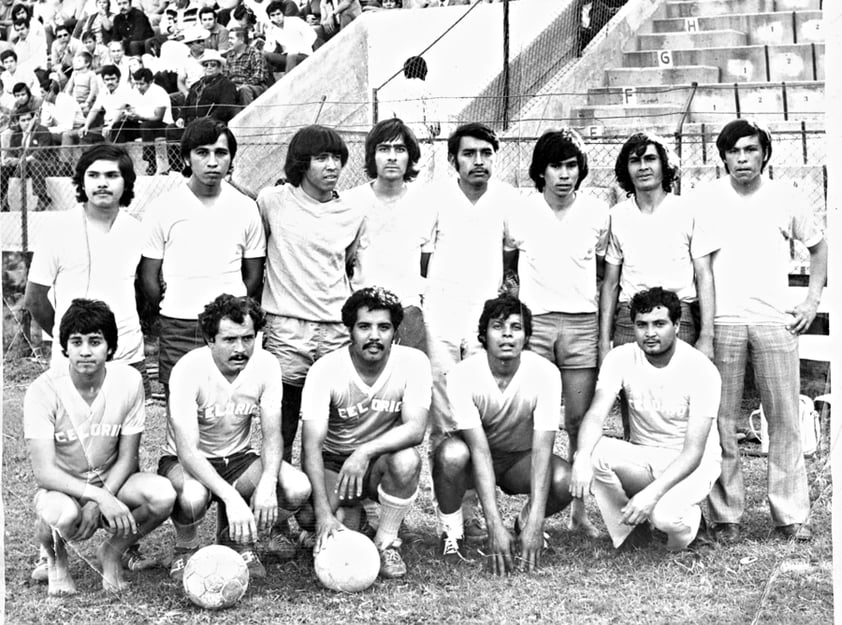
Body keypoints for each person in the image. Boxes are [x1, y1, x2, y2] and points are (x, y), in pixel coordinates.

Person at [695, 119, 827, 543]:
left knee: (784, 418)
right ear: (724, 157)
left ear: (764, 154)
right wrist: (709, 329)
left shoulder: (786, 196)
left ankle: (790, 514)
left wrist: (809, 301)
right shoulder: (709, 199)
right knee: (722, 419)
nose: (743, 159)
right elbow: (703, 268)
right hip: (725, 321)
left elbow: (819, 246)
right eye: (734, 152)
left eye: (750, 150)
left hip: (776, 320)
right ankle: (725, 515)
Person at [24, 299, 176, 596]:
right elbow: (44, 473)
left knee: (162, 494)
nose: (85, 351)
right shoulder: (43, 390)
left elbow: (127, 456)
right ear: (64, 346)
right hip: (63, 488)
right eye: (76, 341)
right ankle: (56, 559)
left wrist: (101, 499)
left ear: (110, 346)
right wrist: (94, 497)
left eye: (95, 341)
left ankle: (112, 552)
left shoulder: (129, 381)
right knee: (60, 514)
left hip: (111, 482)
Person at [160, 294, 312, 579]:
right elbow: (188, 451)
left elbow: (272, 436)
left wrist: (267, 482)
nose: (240, 348)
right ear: (210, 339)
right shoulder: (187, 369)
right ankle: (186, 547)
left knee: (297, 487)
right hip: (190, 462)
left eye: (248, 338)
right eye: (229, 340)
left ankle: (237, 537)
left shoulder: (267, 364)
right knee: (193, 496)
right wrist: (231, 498)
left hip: (239, 458)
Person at [504, 128, 608, 537]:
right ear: (540, 171)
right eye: (555, 166)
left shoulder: (599, 212)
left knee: (579, 418)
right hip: (537, 323)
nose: (564, 174)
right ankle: (535, 508)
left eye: (571, 166)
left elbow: (602, 270)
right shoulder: (521, 212)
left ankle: (579, 512)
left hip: (581, 323)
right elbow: (508, 264)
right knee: (539, 417)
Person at [424, 122, 518, 545]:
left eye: (486, 153)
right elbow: (422, 258)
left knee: (480, 412)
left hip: (485, 322)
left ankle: (479, 507)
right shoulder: (436, 198)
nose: (478, 161)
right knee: (445, 417)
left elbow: (513, 251)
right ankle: (453, 516)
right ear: (453, 161)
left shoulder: (507, 199)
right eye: (469, 154)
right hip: (440, 317)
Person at [570, 287, 721, 551]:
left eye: (659, 324)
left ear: (676, 325)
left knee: (665, 517)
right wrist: (581, 456)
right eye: (642, 325)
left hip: (691, 464)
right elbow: (595, 415)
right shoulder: (621, 357)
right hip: (645, 456)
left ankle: (694, 526)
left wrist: (650, 496)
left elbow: (694, 453)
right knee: (594, 452)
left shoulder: (701, 369)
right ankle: (631, 532)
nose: (650, 333)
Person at [432, 295, 573, 572]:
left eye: (516, 327)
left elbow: (543, 450)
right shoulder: (463, 375)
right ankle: (452, 533)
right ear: (483, 334)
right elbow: (480, 452)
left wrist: (536, 523)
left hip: (518, 460)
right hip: (475, 460)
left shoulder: (546, 373)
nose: (507, 334)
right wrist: (494, 526)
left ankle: (524, 522)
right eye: (498, 326)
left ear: (527, 335)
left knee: (564, 479)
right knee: (450, 454)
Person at [299, 287, 431, 578]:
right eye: (364, 327)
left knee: (407, 460)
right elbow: (311, 446)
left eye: (383, 327)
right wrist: (322, 514)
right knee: (309, 519)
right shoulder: (326, 369)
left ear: (395, 332)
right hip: (334, 462)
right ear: (350, 330)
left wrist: (365, 452)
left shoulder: (413, 362)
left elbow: (415, 429)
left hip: (376, 461)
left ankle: (386, 541)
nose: (374, 336)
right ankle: (354, 512)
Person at [257, 124, 362, 462]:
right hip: (287, 331)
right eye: (321, 158)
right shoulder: (272, 202)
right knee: (282, 426)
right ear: (302, 162)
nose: (332, 166)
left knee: (334, 430)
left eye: (336, 158)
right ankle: (281, 503)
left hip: (335, 331)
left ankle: (325, 509)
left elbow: (346, 264)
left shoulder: (352, 212)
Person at [139, 118, 265, 398]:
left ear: (230, 159)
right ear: (186, 157)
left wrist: (235, 313)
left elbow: (254, 275)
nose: (212, 161)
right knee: (181, 406)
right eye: (202, 152)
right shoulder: (163, 208)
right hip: (179, 325)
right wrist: (171, 304)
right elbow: (148, 275)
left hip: (230, 328)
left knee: (228, 407)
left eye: (220, 153)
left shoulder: (246, 208)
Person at [344, 118, 429, 352]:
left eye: (400, 149)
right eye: (384, 149)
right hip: (362, 311)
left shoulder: (426, 203)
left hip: (408, 311)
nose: (392, 157)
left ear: (410, 157)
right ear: (372, 156)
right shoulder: (350, 202)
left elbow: (427, 263)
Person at [0, 107, 60, 212]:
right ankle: (2, 202)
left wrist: (20, 160)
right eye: (23, 120)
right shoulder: (16, 135)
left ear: (33, 119)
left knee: (34, 162)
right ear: (18, 122)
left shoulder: (41, 130)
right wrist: (8, 160)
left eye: (29, 119)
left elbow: (41, 153)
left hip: (44, 165)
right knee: (3, 169)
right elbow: (11, 152)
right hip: (23, 167)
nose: (26, 122)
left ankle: (42, 198)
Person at [118, 67, 173, 174]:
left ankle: (151, 163)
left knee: (146, 126)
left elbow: (158, 117)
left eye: (141, 84)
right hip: (141, 122)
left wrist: (139, 117)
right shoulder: (135, 91)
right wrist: (127, 114)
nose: (138, 87)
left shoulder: (159, 92)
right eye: (136, 83)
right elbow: (124, 105)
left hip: (161, 125)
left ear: (151, 82)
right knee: (119, 126)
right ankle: (120, 161)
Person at [177, 48, 238, 125]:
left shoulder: (226, 84)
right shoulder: (195, 85)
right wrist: (181, 117)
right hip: (191, 123)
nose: (209, 67)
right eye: (206, 65)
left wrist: (208, 120)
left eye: (213, 65)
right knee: (171, 128)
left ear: (219, 67)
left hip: (212, 124)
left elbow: (225, 107)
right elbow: (186, 105)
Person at [75, 64, 132, 143]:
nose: (110, 82)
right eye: (107, 79)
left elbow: (121, 111)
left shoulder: (125, 90)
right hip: (105, 125)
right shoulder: (103, 91)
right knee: (85, 135)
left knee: (109, 133)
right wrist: (86, 125)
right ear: (103, 80)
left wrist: (110, 126)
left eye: (113, 79)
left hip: (119, 125)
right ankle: (89, 155)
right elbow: (95, 109)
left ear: (118, 79)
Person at [262, 0, 315, 75]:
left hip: (303, 54)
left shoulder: (294, 21)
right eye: (273, 15)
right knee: (264, 56)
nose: (276, 17)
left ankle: (286, 83)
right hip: (287, 57)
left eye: (278, 14)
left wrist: (301, 49)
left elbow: (312, 35)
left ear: (283, 13)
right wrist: (269, 33)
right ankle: (271, 85)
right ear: (270, 17)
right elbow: (270, 48)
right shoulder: (273, 29)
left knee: (292, 56)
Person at [224, 26, 270, 105]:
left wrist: (240, 86)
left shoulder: (255, 53)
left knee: (244, 90)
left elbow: (259, 77)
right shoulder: (230, 55)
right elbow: (226, 76)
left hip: (254, 87)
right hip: (235, 88)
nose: (229, 41)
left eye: (231, 38)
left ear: (241, 40)